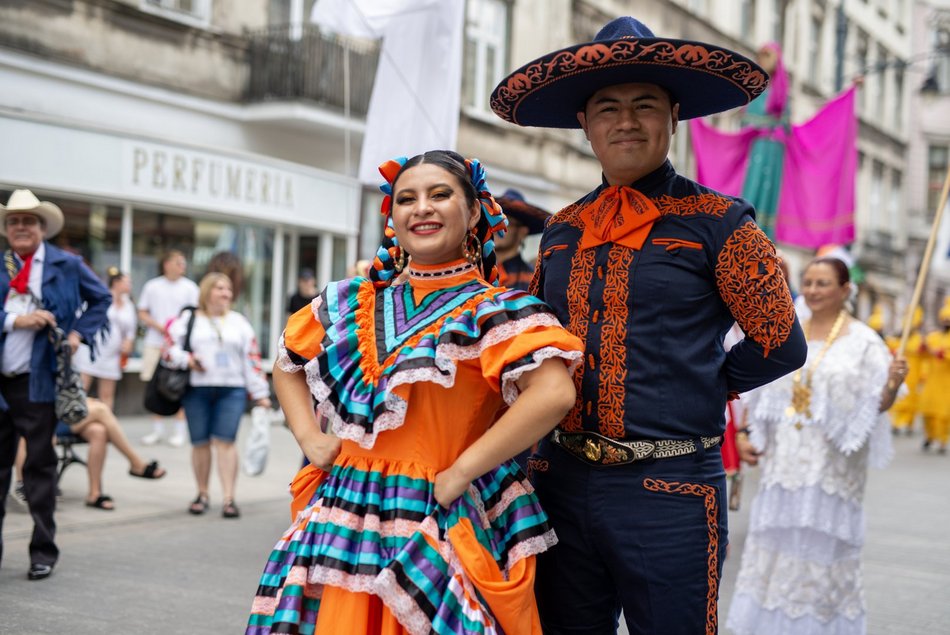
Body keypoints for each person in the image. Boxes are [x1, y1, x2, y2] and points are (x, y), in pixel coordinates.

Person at [490, 16, 807, 633]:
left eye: (644, 105)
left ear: (674, 117)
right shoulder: (559, 230)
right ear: (585, 125)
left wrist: (701, 382)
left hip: (672, 487)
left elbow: (780, 344)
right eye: (607, 108)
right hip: (560, 482)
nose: (626, 121)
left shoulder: (722, 222)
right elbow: (534, 351)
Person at [245, 150, 583, 634]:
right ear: (393, 218)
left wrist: (463, 470)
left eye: (439, 194)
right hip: (346, 512)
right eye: (407, 199)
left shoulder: (498, 310)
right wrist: (311, 439)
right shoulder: (350, 300)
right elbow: (287, 361)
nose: (421, 208)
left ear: (472, 213)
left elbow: (552, 393)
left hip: (437, 510)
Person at [727, 257, 907, 634]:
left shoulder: (864, 342)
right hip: (785, 465)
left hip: (833, 469)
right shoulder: (787, 333)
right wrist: (744, 435)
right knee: (777, 549)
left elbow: (878, 404)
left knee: (823, 555)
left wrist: (890, 384)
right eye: (808, 282)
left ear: (845, 290)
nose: (812, 290)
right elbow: (757, 393)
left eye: (823, 283)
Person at [0, 188, 111, 581]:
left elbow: (101, 299)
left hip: (41, 381)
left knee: (39, 468)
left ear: (42, 227)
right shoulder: (2, 265)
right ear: (7, 229)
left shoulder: (67, 264)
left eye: (28, 220)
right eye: (14, 221)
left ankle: (42, 551)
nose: (21, 227)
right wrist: (15, 321)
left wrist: (79, 333)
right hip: (2, 383)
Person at [165, 272, 271, 519]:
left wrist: (261, 394)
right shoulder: (188, 319)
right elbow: (168, 351)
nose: (225, 293)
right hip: (196, 389)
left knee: (226, 441)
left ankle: (228, 498)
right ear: (207, 291)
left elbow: (252, 359)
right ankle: (202, 494)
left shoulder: (239, 322)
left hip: (232, 390)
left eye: (228, 290)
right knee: (200, 442)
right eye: (220, 288)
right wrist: (188, 359)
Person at [137, 249, 199, 447]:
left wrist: (176, 331)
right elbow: (142, 312)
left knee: (179, 385)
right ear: (167, 264)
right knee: (155, 385)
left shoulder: (190, 288)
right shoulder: (152, 286)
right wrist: (161, 328)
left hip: (180, 347)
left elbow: (196, 315)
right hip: (155, 343)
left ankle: (179, 431)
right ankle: (157, 431)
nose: (183, 266)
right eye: (178, 262)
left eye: (184, 263)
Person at [58, 398, 166, 510]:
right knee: (101, 410)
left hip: (67, 413)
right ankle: (136, 463)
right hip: (50, 418)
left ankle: (94, 494)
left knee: (99, 431)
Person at [73, 267, 137, 411]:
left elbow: (131, 331)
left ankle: (106, 424)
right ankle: (73, 424)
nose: (129, 285)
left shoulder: (129, 305)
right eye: (127, 282)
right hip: (91, 350)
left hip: (112, 355)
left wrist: (128, 344)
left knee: (107, 395)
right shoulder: (99, 298)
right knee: (81, 388)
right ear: (116, 282)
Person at [494, 189, 550, 292]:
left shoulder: (533, 281)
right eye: (493, 220)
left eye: (505, 222)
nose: (496, 227)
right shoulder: (473, 269)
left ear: (522, 233)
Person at [919, 298, 950, 454]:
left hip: (946, 383)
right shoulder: (933, 337)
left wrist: (939, 353)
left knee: (944, 414)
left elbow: (943, 355)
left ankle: (943, 441)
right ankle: (929, 437)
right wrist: (923, 347)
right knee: (928, 410)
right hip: (931, 381)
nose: (946, 322)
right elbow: (922, 355)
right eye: (945, 319)